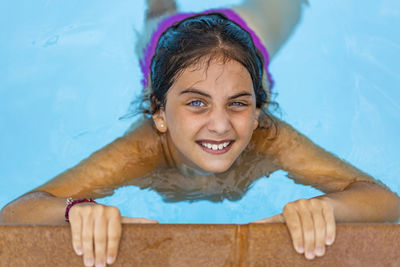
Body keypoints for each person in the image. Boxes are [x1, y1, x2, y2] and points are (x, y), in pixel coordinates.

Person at [1, 0, 400, 266]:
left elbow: (384, 201)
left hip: (247, 37)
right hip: (165, 40)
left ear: (259, 109)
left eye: (239, 104)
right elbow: (15, 214)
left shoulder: (270, 137)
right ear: (159, 113)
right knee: (158, 13)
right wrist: (76, 210)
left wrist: (329, 208)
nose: (221, 124)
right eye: (196, 103)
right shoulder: (142, 150)